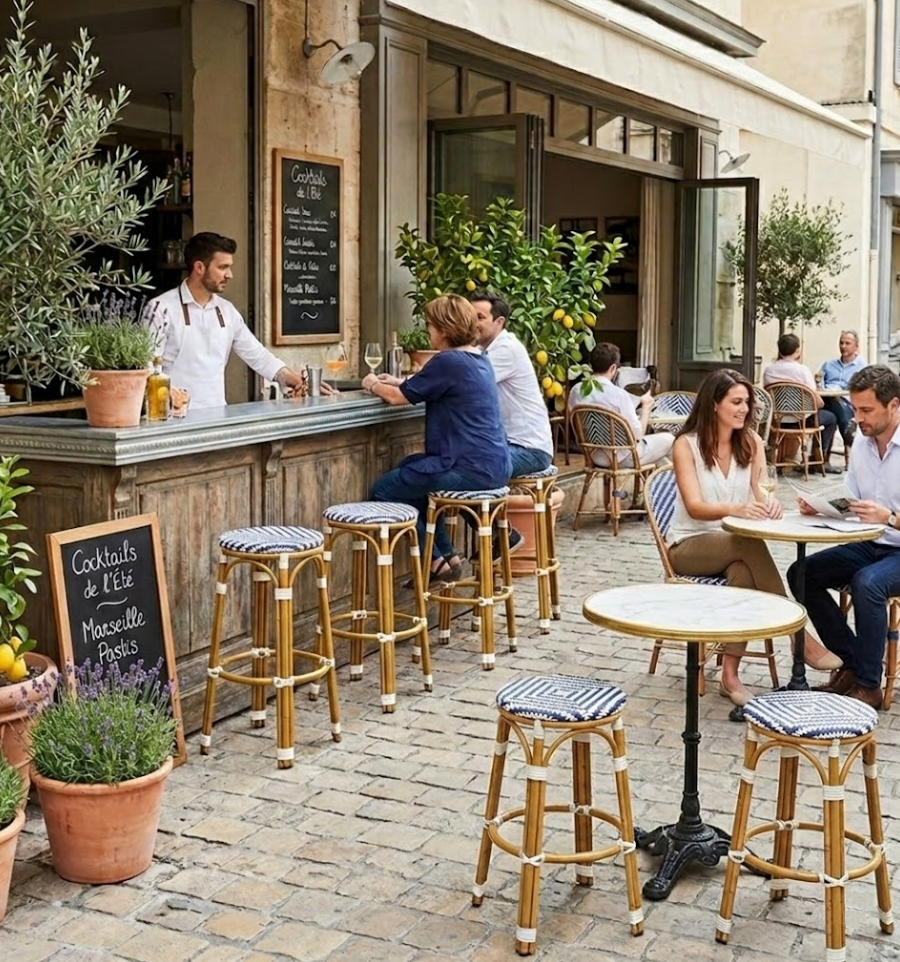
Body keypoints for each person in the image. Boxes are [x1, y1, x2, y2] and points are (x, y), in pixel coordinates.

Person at [667, 369, 838, 709]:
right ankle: (797, 634)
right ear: (714, 404)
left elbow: (761, 493)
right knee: (746, 543)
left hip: (733, 549)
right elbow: (695, 507)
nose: (744, 409)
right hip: (688, 544)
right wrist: (738, 509)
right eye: (736, 402)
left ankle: (729, 677)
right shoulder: (686, 445)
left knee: (743, 576)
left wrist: (768, 504)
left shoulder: (751, 443)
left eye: (747, 402)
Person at [362, 294, 511, 583]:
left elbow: (396, 398)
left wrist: (371, 383)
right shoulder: (477, 357)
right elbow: (426, 386)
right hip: (493, 465)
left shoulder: (448, 361)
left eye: (430, 324)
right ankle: (447, 559)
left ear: (444, 329)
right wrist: (400, 382)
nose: (427, 330)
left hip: (467, 469)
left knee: (384, 491)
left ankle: (435, 560)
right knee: (411, 470)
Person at [788, 365, 900, 710]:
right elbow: (851, 498)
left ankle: (868, 685)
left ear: (894, 406)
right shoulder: (863, 443)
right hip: (870, 542)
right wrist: (822, 505)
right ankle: (851, 662)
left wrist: (890, 518)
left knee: (867, 583)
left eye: (867, 410)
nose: (858, 418)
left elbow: (882, 514)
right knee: (801, 572)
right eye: (855, 408)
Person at [142, 232, 311, 408]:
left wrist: (289, 377)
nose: (229, 275)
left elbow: (257, 355)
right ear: (199, 268)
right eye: (223, 267)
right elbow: (146, 368)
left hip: (218, 415)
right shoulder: (160, 309)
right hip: (173, 416)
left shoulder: (227, 311)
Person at [470, 291, 554, 554]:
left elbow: (466, 381)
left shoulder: (505, 349)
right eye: (469, 316)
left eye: (480, 317)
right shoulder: (483, 350)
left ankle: (503, 534)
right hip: (509, 444)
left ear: (499, 322)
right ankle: (500, 534)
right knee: (456, 467)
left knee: (467, 470)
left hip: (530, 449)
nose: (472, 322)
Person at [568, 341, 675, 468]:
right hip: (623, 457)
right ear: (613, 368)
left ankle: (661, 477)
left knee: (659, 456)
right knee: (671, 439)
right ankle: (671, 479)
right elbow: (637, 435)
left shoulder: (576, 390)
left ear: (590, 365)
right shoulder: (618, 395)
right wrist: (646, 408)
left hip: (594, 455)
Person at [762, 332, 839, 473]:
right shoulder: (803, 370)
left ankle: (784, 459)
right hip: (801, 421)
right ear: (798, 351)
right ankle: (819, 458)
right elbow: (815, 398)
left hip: (778, 420)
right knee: (831, 417)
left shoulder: (769, 370)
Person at [819, 329, 866, 455]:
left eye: (847, 343)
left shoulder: (862, 367)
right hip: (825, 401)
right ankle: (848, 435)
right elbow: (819, 382)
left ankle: (822, 456)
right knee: (831, 410)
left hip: (848, 403)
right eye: (841, 343)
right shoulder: (828, 365)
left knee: (833, 414)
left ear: (856, 346)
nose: (843, 346)